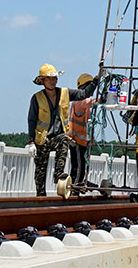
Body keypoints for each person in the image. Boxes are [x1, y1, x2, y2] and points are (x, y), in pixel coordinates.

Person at [27, 63, 90, 196]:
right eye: (49, 79)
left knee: (64, 139)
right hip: (41, 140)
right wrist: (31, 142)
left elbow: (84, 94)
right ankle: (41, 198)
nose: (53, 81)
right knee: (40, 174)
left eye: (54, 78)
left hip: (57, 137)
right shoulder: (37, 98)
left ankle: (58, 174)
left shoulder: (65, 93)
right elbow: (32, 120)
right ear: (43, 81)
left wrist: (95, 81)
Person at [67, 73, 98, 191]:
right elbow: (90, 102)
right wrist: (103, 99)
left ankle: (78, 185)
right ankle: (76, 186)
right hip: (76, 140)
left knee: (80, 166)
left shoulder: (82, 102)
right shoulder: (79, 101)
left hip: (81, 141)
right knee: (78, 166)